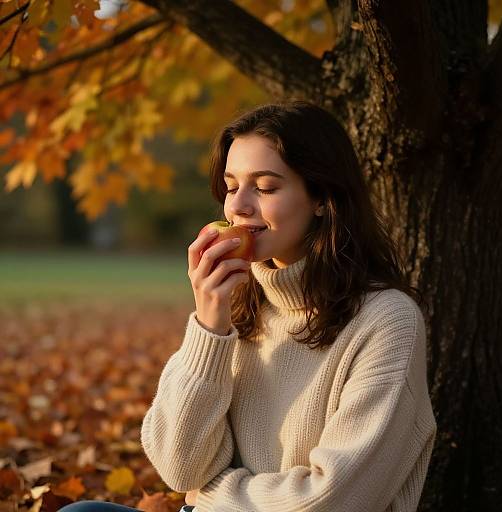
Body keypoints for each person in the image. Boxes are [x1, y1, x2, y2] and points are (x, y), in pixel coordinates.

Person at [64, 100, 437, 512]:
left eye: (265, 187)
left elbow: (334, 499)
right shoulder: (239, 304)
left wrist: (210, 495)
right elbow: (180, 469)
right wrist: (209, 328)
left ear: (321, 197)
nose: (238, 206)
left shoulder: (386, 321)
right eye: (231, 186)